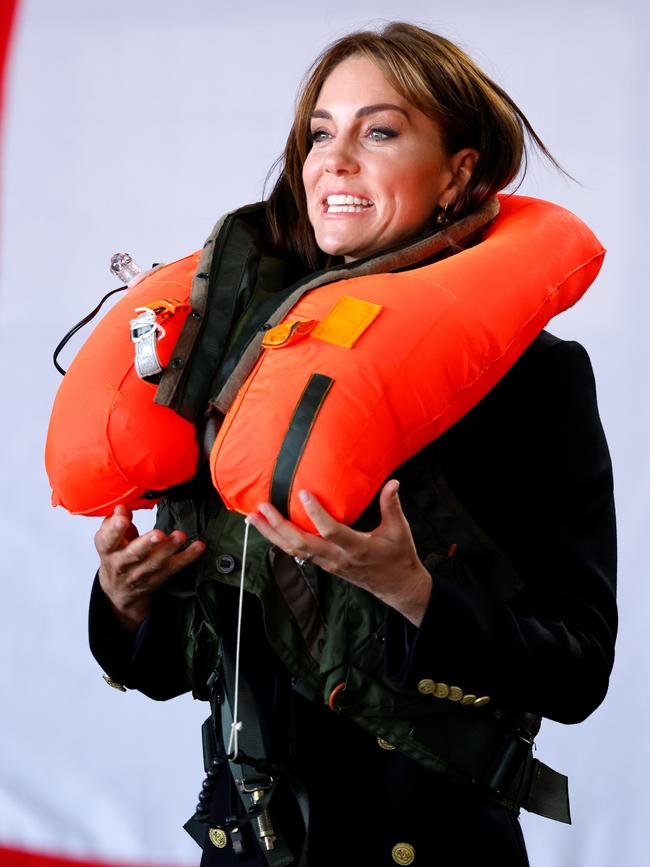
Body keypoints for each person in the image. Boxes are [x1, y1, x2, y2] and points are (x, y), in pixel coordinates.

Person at [89, 22, 617, 867]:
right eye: (319, 133)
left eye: (379, 130)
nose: (334, 159)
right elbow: (174, 672)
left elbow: (578, 669)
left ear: (459, 172)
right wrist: (125, 597)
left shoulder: (534, 380)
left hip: (430, 846)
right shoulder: (242, 364)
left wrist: (414, 592)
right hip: (251, 846)